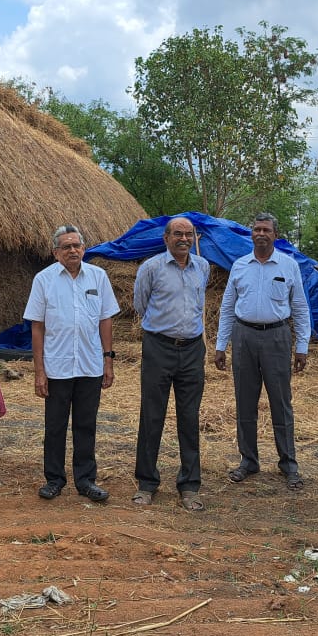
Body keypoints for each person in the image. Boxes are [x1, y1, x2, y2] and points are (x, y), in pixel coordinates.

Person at [214, 212, 311, 490]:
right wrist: (221, 345)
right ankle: (249, 461)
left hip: (277, 336)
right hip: (243, 336)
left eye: (266, 230)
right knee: (245, 400)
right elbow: (228, 306)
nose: (261, 234)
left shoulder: (289, 265)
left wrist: (301, 346)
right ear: (251, 234)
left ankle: (288, 463)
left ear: (275, 235)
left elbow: (301, 308)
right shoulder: (240, 265)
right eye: (256, 229)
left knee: (281, 402)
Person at [24, 224, 119, 502]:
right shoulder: (44, 280)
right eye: (66, 246)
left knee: (86, 424)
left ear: (84, 249)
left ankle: (86, 480)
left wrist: (108, 361)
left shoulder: (98, 278)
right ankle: (54, 479)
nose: (73, 250)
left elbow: (105, 319)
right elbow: (37, 327)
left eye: (77, 245)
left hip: (90, 364)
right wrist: (39, 371)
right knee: (55, 426)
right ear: (56, 253)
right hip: (57, 366)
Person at [132, 215, 211, 511]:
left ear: (194, 238)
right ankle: (147, 483)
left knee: (189, 417)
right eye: (177, 234)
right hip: (158, 347)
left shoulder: (202, 267)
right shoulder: (151, 268)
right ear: (166, 238)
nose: (184, 239)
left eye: (189, 234)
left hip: (192, 349)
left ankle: (189, 485)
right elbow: (141, 304)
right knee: (152, 415)